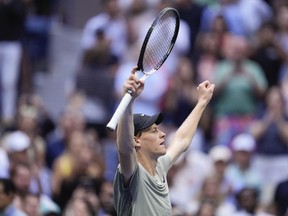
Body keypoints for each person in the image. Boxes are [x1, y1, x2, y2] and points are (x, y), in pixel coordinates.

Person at [113, 66, 215, 215]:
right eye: (154, 131)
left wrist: (202, 102)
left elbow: (182, 140)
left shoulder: (160, 166)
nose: (162, 135)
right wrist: (129, 100)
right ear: (137, 141)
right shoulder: (132, 171)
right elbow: (125, 148)